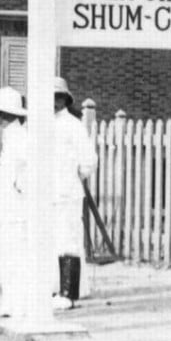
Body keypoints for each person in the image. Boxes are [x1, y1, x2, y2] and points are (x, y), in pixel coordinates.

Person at [0, 87, 29, 318]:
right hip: (8, 208)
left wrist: (19, 188)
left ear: (7, 113)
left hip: (16, 209)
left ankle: (18, 305)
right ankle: (11, 303)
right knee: (9, 259)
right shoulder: (12, 136)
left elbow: (29, 170)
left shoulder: (21, 137)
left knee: (15, 259)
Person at [52, 77, 98, 308]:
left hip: (67, 193)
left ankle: (69, 293)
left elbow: (88, 161)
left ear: (64, 99)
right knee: (51, 241)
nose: (52, 101)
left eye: (57, 97)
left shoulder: (73, 125)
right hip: (46, 195)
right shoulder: (38, 125)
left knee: (67, 240)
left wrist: (71, 177)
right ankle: (55, 288)